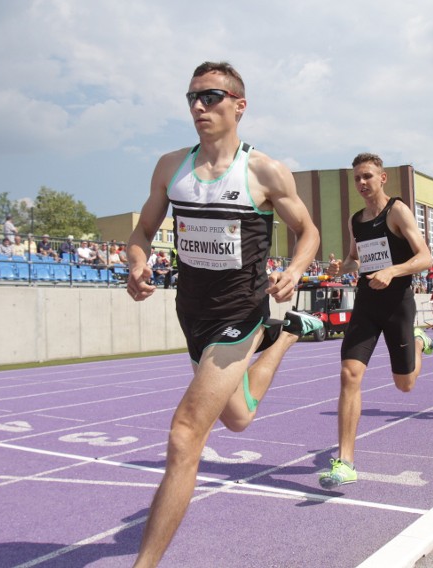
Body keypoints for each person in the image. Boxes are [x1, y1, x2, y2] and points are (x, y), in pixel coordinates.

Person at [125, 61, 321, 568]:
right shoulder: (171, 167)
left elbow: (309, 232)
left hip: (242, 312)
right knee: (237, 417)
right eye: (191, 98)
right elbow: (142, 231)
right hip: (191, 313)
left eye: (210, 97)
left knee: (185, 434)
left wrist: (296, 270)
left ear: (239, 104)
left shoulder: (264, 171)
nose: (198, 107)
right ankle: (284, 340)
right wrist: (138, 262)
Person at [317, 152, 433, 489]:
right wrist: (342, 269)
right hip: (367, 304)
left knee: (405, 384)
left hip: (398, 304)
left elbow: (424, 256)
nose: (362, 183)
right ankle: (346, 461)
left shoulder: (397, 211)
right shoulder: (357, 220)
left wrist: (393, 271)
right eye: (357, 178)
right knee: (349, 374)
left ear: (382, 178)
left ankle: (418, 343)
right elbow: (357, 261)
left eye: (367, 176)